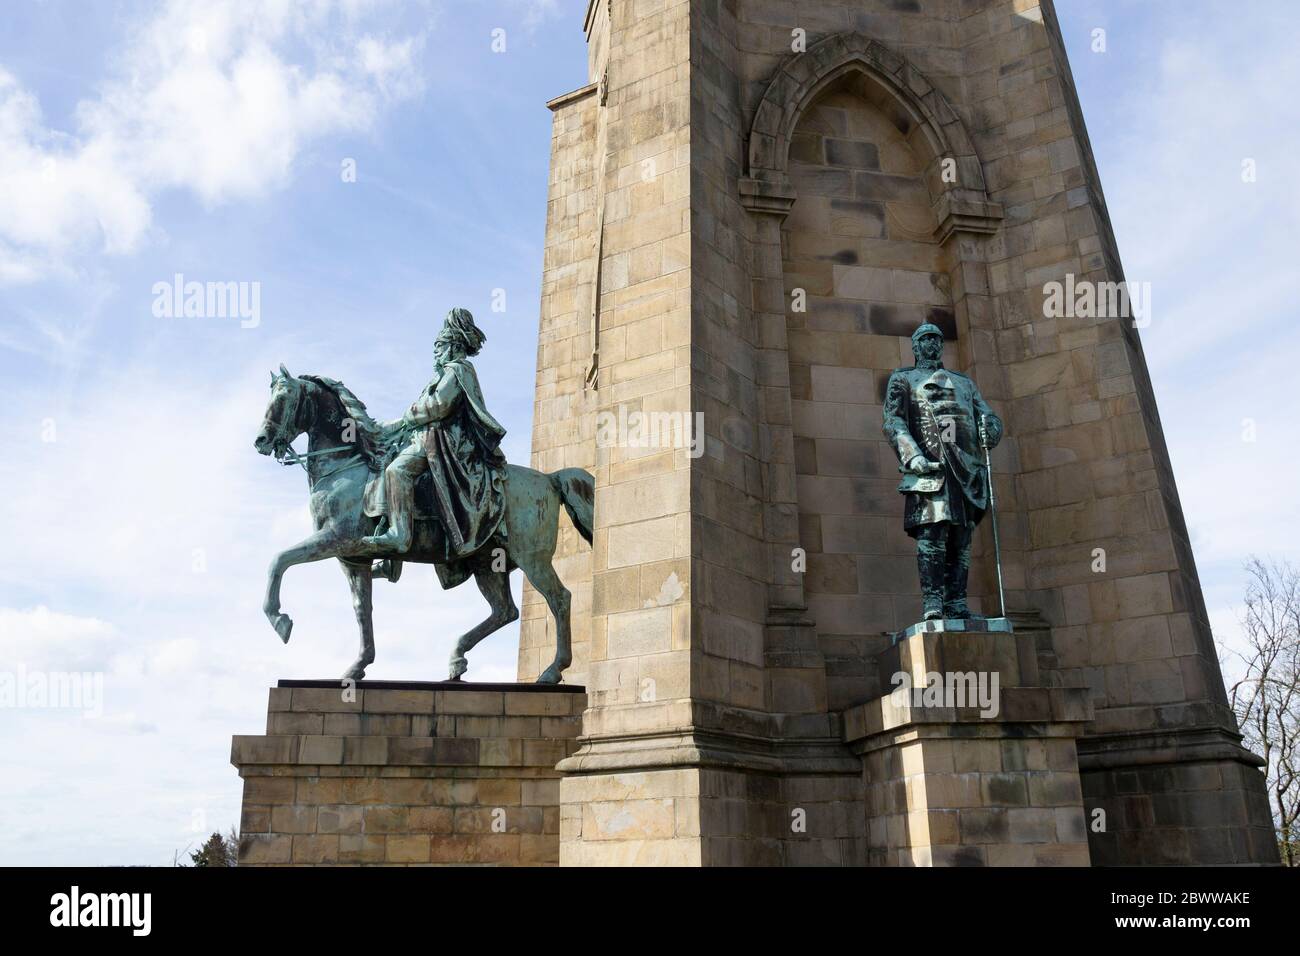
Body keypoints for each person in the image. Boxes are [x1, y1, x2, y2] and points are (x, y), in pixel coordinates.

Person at [882, 323, 1003, 620]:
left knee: (961, 538)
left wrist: (992, 427)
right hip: (931, 467)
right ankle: (933, 602)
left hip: (966, 469)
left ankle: (956, 602)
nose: (932, 345)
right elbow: (892, 421)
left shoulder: (964, 383)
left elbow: (986, 414)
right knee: (933, 534)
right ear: (915, 346)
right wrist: (913, 457)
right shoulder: (904, 379)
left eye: (936, 339)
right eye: (925, 340)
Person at [363, 307, 507, 556]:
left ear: (452, 347)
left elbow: (438, 405)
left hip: (445, 441)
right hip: (428, 436)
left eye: (439, 346)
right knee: (386, 460)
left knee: (397, 471)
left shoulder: (457, 371)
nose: (435, 351)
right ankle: (391, 554)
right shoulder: (444, 373)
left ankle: (400, 535)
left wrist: (402, 420)